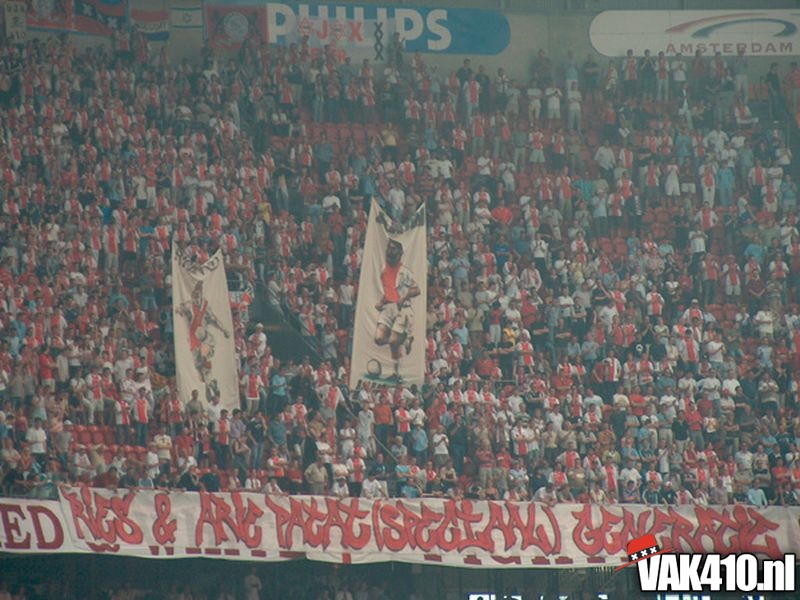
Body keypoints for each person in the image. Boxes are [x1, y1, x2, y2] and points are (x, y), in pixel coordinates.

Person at [374, 239, 421, 380]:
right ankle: (405, 340)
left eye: (393, 249)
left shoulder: (405, 272)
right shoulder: (383, 270)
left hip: (402, 309)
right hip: (388, 307)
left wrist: (404, 297)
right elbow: (389, 290)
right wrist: (381, 302)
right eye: (389, 248)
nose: (390, 251)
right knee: (378, 338)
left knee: (394, 341)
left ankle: (396, 373)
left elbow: (417, 290)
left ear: (400, 253)